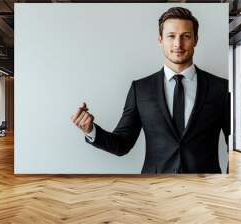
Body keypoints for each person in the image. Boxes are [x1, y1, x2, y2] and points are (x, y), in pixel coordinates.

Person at [71, 7, 230, 174]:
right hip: (154, 191)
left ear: (196, 40)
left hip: (206, 192)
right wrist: (90, 131)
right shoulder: (140, 90)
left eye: (186, 36)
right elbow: (122, 144)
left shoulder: (220, 88)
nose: (178, 44)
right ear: (160, 39)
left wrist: (228, 185)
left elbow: (233, 147)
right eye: (171, 36)